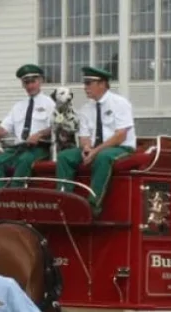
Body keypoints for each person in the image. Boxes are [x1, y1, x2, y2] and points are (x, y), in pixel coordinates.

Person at [55, 65, 136, 213]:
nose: (85, 87)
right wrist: (86, 148)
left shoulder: (120, 103)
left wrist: (95, 151)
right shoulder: (86, 108)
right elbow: (84, 136)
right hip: (95, 148)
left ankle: (93, 205)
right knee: (64, 157)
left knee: (103, 157)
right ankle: (63, 200)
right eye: (85, 83)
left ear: (102, 84)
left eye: (88, 83)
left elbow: (120, 135)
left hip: (121, 148)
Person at [0, 64, 56, 189]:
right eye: (26, 83)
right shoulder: (18, 106)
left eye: (33, 81)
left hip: (39, 148)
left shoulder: (50, 104)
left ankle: (16, 194)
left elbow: (56, 127)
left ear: (41, 81)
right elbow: (4, 127)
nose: (30, 86)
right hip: (19, 147)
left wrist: (39, 134)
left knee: (24, 160)